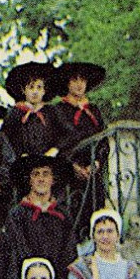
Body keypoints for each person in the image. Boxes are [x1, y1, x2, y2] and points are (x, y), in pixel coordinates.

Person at [44, 61, 108, 232]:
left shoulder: (93, 110)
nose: (79, 84)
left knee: (96, 213)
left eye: (82, 80)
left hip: (93, 172)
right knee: (72, 215)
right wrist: (73, 165)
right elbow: (57, 142)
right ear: (68, 83)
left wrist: (96, 163)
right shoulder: (58, 110)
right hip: (69, 175)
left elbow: (103, 141)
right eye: (74, 80)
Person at [2, 150, 76, 279]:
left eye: (46, 173)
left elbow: (69, 254)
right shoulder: (18, 214)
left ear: (53, 179)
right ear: (29, 180)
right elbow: (17, 252)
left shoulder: (63, 215)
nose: (41, 179)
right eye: (36, 174)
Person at [0, 61, 60, 159]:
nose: (35, 92)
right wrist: (19, 154)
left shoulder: (51, 112)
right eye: (31, 87)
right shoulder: (15, 114)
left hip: (51, 160)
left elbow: (66, 134)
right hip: (23, 162)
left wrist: (55, 149)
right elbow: (6, 139)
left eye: (39, 87)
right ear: (23, 90)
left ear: (44, 91)